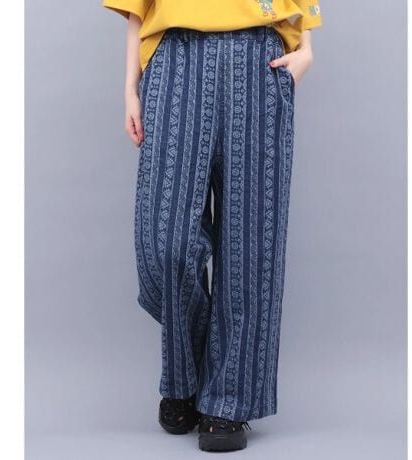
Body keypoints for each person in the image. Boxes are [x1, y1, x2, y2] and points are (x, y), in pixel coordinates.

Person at [102, 0, 322, 452]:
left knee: (251, 244)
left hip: (258, 60)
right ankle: (188, 374)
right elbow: (136, 7)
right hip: (175, 59)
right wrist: (130, 87)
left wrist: (307, 49)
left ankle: (228, 398)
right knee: (165, 246)